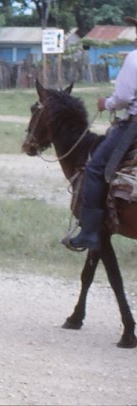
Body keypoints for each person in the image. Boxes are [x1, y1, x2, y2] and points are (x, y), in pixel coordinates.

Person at [65, 15, 137, 252]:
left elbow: (124, 98)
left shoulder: (134, 59)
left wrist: (105, 104)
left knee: (95, 168)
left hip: (134, 126)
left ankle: (89, 233)